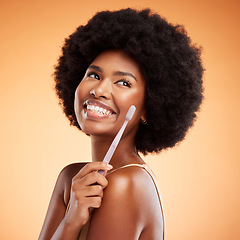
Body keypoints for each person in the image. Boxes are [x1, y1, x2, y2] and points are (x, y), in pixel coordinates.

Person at [38, 8, 204, 240]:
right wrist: (71, 221)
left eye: (123, 83)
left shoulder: (125, 184)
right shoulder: (71, 179)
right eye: (94, 75)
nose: (99, 90)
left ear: (149, 106)